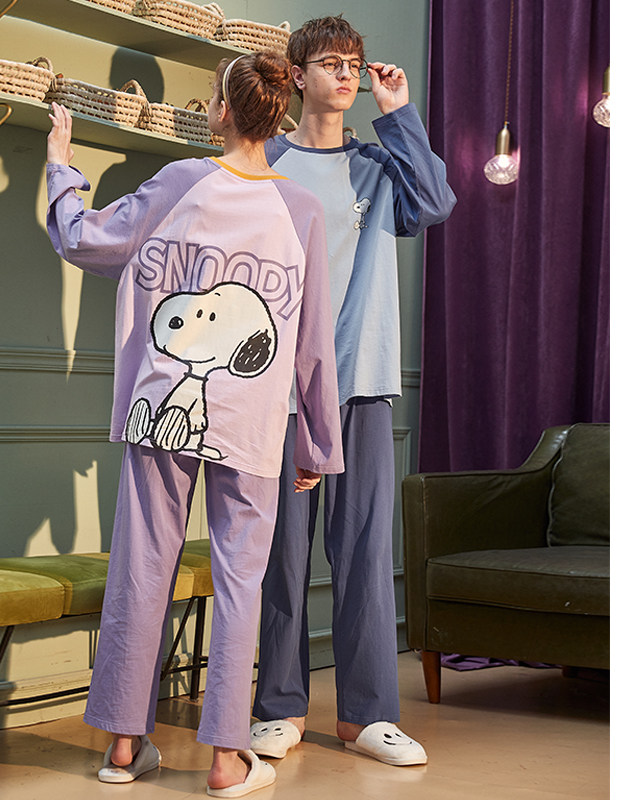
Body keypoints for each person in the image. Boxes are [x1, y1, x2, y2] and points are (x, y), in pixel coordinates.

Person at [45, 51, 344, 798]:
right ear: (276, 115)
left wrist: (61, 164)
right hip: (252, 421)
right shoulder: (302, 209)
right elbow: (313, 342)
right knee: (241, 581)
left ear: (221, 111)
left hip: (160, 408)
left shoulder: (180, 182)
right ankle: (225, 759)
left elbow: (83, 239)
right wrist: (316, 441)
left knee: (142, 567)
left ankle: (123, 746)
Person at [249, 16, 457, 767]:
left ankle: (366, 716)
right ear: (297, 74)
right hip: (276, 390)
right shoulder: (265, 163)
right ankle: (279, 707)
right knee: (281, 554)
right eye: (329, 62)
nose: (345, 73)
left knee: (365, 552)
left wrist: (398, 112)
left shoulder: (378, 166)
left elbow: (435, 203)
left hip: (362, 382)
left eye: (354, 63)